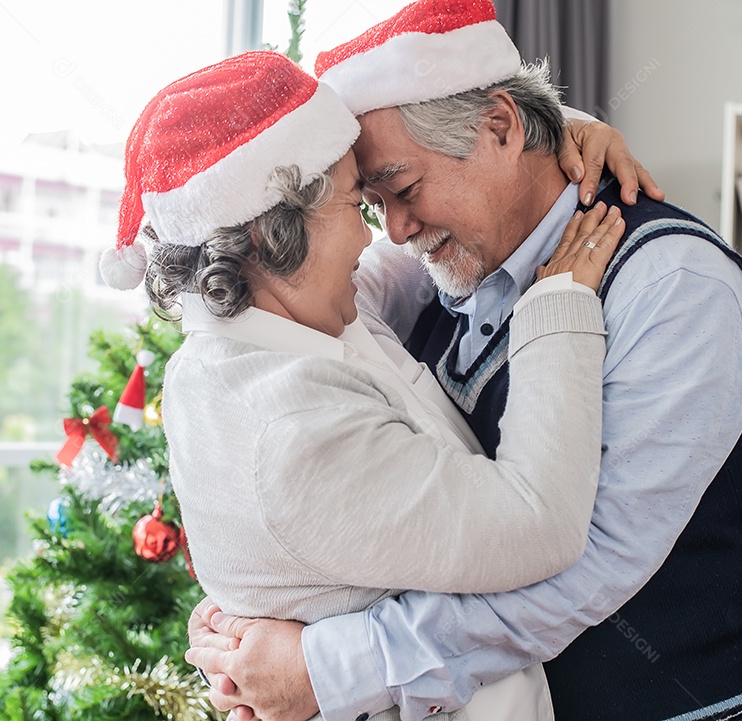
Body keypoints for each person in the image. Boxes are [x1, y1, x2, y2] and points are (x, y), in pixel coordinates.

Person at [185, 2, 742, 721]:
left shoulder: (675, 286)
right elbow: (287, 307)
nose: (395, 231)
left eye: (404, 190)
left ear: (499, 126)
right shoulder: (433, 268)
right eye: (371, 205)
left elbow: (586, 562)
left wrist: (330, 668)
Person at [98, 49, 639, 721]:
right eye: (360, 201)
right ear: (276, 234)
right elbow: (539, 522)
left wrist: (552, 133)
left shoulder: (272, 332)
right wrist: (557, 300)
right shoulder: (292, 429)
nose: (379, 231)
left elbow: (441, 228)